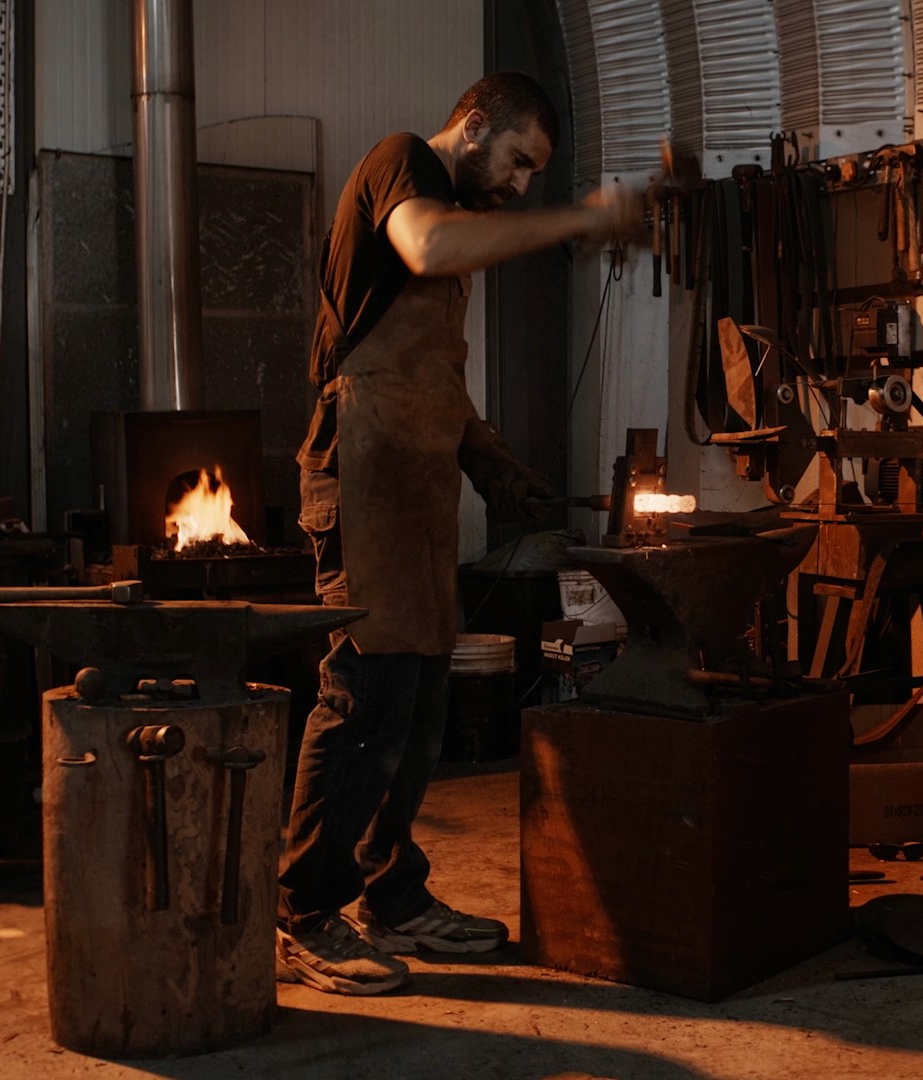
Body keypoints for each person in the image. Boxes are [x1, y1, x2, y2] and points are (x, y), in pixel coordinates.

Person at [276, 71, 641, 995]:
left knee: (418, 705)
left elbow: (430, 379)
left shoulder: (448, 214)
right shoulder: (403, 166)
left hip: (419, 482)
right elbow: (431, 248)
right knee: (364, 698)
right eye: (519, 161)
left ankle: (389, 896)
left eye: (534, 177)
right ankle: (305, 915)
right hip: (360, 471)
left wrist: (491, 461)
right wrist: (579, 221)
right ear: (474, 126)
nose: (520, 186)